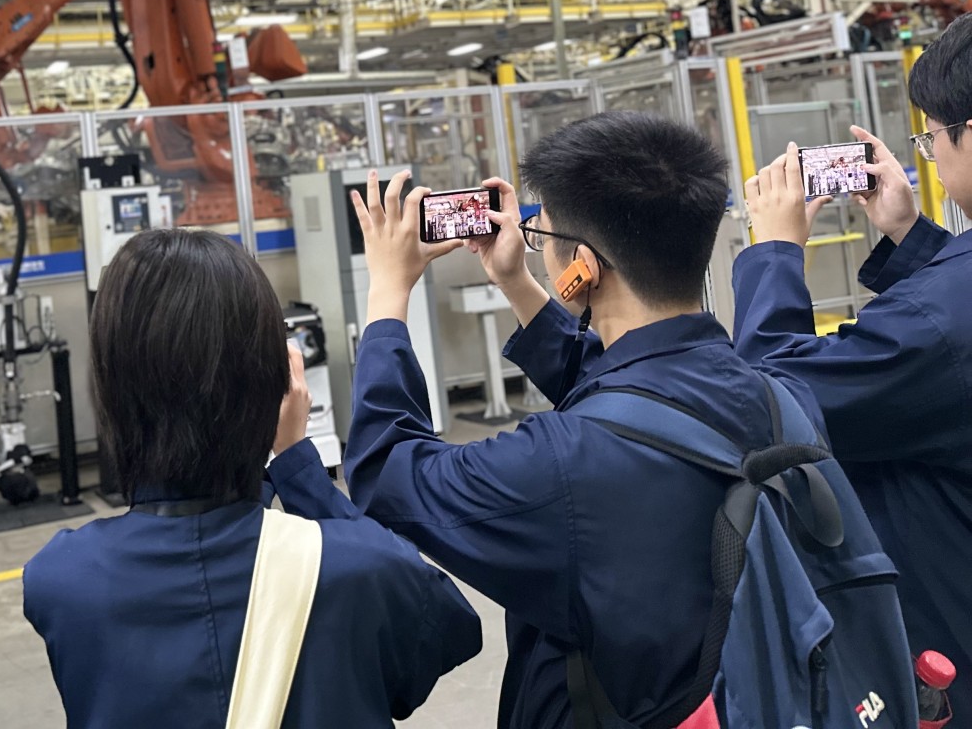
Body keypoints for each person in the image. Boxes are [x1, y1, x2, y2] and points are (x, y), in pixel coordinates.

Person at [344, 112, 880, 728]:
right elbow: (636, 397)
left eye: (541, 234)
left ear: (584, 266)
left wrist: (387, 293)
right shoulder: (780, 394)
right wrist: (517, 281)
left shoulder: (560, 463)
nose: (536, 244)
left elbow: (386, 472)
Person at [24, 229, 481, 729]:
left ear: (110, 386)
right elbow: (447, 634)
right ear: (272, 380)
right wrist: (295, 464)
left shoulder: (61, 581)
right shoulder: (360, 567)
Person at [733, 12, 972, 708]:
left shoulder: (937, 318)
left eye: (931, 139)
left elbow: (775, 402)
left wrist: (773, 252)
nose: (930, 156)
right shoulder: (944, 308)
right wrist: (908, 233)